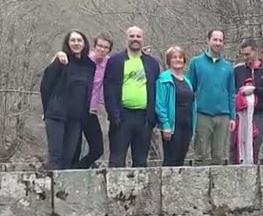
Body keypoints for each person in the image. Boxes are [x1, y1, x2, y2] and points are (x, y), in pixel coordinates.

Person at [103, 26, 162, 167]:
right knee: (117, 160)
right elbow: (109, 90)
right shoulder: (115, 61)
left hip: (144, 119)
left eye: (138, 36)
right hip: (122, 117)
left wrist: (153, 118)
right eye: (132, 36)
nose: (135, 39)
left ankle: (140, 190)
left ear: (143, 39)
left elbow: (156, 90)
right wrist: (113, 114)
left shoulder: (152, 63)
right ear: (127, 38)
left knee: (141, 161)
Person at [39, 30, 96, 170]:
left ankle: (64, 191)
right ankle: (51, 189)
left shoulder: (89, 65)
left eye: (79, 40)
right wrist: (47, 110)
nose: (76, 43)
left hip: (76, 118)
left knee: (68, 157)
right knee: (55, 156)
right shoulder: (61, 60)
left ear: (84, 43)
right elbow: (45, 86)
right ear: (67, 43)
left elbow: (87, 92)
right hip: (56, 115)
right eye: (73, 40)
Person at [54, 35, 113, 167]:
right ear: (94, 46)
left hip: (90, 111)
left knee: (97, 149)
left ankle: (78, 169)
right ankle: (69, 174)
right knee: (74, 148)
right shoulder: (85, 60)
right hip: (74, 110)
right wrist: (59, 54)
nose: (102, 50)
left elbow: (125, 59)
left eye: (106, 48)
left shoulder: (109, 63)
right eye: (100, 46)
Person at [187, 30, 236, 165]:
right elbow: (189, 89)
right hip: (202, 114)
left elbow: (232, 93)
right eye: (215, 40)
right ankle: (197, 184)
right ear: (208, 41)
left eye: (220, 40)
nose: (217, 43)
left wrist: (232, 116)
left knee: (218, 155)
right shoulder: (196, 63)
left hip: (223, 115)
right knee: (199, 154)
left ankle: (216, 186)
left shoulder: (228, 67)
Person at [232, 39, 263, 164]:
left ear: (256, 51)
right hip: (239, 114)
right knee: (236, 144)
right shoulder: (237, 70)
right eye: (243, 55)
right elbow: (232, 89)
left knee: (255, 142)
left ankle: (253, 169)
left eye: (248, 54)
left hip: (258, 113)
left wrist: (255, 90)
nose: (245, 57)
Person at [156, 47, 196, 167]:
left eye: (180, 57)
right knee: (171, 160)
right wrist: (165, 124)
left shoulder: (187, 81)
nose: (178, 60)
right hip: (172, 126)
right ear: (169, 60)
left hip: (187, 125)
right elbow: (160, 104)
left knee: (181, 159)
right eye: (174, 57)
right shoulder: (163, 79)